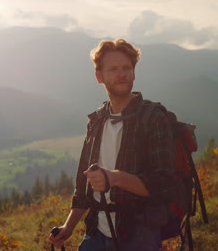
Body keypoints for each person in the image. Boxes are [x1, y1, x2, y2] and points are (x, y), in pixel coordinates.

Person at [49, 39, 178, 251]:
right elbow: (84, 185)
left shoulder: (153, 118)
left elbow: (163, 185)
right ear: (99, 76)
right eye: (114, 69)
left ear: (134, 73)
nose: (122, 74)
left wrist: (115, 178)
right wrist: (68, 227)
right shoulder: (97, 121)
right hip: (97, 230)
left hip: (140, 232)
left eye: (127, 68)